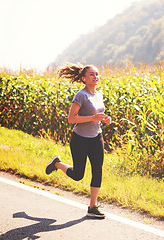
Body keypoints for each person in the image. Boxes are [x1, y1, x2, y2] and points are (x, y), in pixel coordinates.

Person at [45, 63, 111, 218]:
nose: (96, 77)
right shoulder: (80, 95)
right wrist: (92, 118)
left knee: (97, 170)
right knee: (78, 175)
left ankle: (92, 207)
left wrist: (105, 119)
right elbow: (71, 118)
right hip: (80, 139)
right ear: (83, 78)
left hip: (96, 137)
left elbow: (99, 115)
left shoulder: (98, 94)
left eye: (97, 74)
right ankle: (57, 164)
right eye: (91, 75)